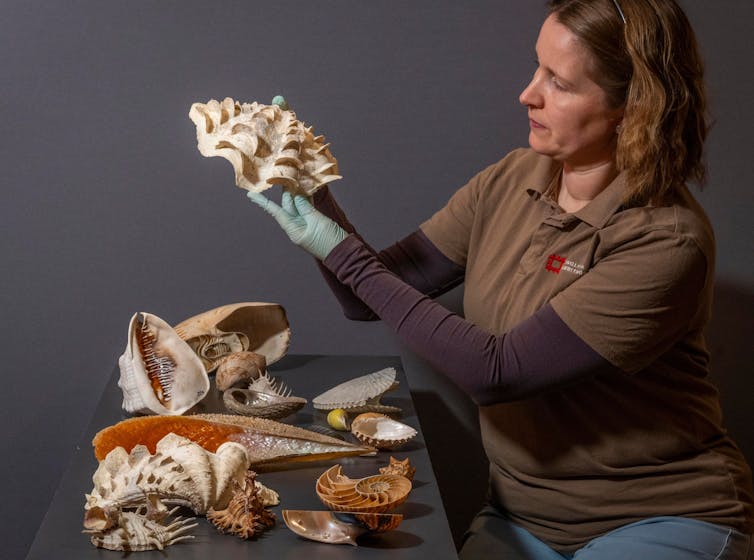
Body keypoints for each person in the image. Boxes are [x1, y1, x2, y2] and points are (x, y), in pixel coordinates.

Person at [247, 0, 754, 557]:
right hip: (522, 518)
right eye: (537, 68)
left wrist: (338, 249)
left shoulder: (665, 239)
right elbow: (369, 295)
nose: (528, 93)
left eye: (559, 83)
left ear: (630, 107)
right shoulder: (513, 177)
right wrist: (315, 188)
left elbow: (498, 371)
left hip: (657, 519)